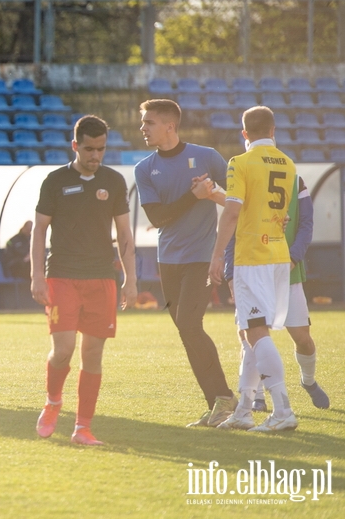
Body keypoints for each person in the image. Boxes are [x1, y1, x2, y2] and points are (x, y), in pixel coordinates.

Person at [31, 115, 137, 446]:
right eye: (89, 149)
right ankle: (53, 402)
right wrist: (36, 275)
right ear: (75, 146)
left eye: (101, 149)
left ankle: (82, 427)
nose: (95, 156)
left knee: (93, 353)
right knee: (62, 350)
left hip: (101, 277)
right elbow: (39, 231)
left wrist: (131, 279)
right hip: (61, 274)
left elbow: (124, 233)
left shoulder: (115, 181)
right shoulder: (54, 180)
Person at [134, 99, 237, 428]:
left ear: (169, 126)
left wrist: (214, 196)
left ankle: (225, 398)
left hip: (202, 257)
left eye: (149, 122)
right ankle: (217, 405)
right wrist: (193, 197)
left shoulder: (206, 156)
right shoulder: (144, 168)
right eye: (143, 122)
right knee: (186, 330)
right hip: (169, 260)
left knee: (190, 325)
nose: (143, 128)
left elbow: (237, 199)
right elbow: (159, 218)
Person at [209, 106, 298, 432]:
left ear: (244, 133)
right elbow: (281, 213)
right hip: (277, 253)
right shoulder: (288, 163)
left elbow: (233, 212)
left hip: (253, 256)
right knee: (250, 333)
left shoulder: (240, 163)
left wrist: (218, 255)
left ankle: (283, 410)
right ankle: (245, 409)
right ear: (273, 130)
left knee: (256, 331)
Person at [224, 176, 330, 412]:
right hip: (251, 272)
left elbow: (305, 224)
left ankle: (308, 381)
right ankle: (257, 397)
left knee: (303, 339)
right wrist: (230, 274)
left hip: (288, 275)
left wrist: (292, 258)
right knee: (249, 336)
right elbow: (232, 228)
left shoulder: (294, 180)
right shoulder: (244, 176)